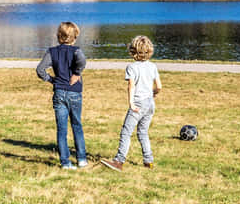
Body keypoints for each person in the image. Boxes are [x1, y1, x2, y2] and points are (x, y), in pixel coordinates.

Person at [100, 35, 162, 172]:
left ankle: (119, 161)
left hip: (138, 103)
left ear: (133, 51)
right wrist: (153, 94)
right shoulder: (153, 66)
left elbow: (131, 86)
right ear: (150, 51)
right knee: (143, 132)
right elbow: (159, 86)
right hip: (150, 104)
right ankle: (148, 161)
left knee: (126, 133)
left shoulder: (131, 67)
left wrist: (131, 103)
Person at [36, 21, 87, 169]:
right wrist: (77, 73)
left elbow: (40, 70)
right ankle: (82, 159)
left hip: (59, 93)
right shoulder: (77, 51)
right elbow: (82, 61)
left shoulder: (52, 51)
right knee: (77, 125)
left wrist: (52, 80)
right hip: (75, 93)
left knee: (61, 129)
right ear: (75, 37)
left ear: (58, 36)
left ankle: (65, 162)